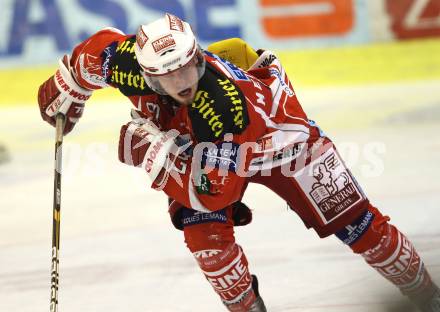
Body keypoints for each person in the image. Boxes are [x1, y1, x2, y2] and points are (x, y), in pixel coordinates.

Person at [37, 13, 439, 312]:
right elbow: (92, 54)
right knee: (207, 245)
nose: (182, 83)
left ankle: (427, 296)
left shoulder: (223, 108)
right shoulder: (123, 62)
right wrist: (67, 89)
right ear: (146, 75)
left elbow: (212, 195)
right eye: (167, 76)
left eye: (187, 68)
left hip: (279, 139)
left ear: (197, 57)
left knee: (357, 224)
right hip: (202, 149)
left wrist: (151, 154)